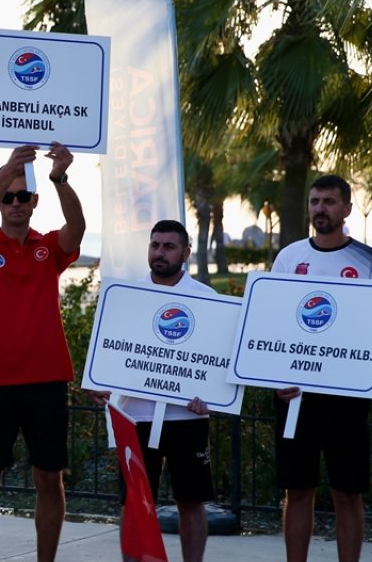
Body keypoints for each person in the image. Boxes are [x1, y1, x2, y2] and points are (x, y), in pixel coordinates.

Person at [0, 142, 85, 562]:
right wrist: (5, 172)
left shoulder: (48, 248)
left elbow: (77, 226)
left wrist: (60, 177)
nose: (14, 203)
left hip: (46, 380)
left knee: (50, 480)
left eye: (21, 196)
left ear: (34, 202)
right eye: (7, 197)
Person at [269, 174, 372, 562]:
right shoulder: (289, 257)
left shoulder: (370, 261)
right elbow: (272, 322)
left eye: (329, 202)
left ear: (346, 208)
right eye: (314, 201)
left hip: (346, 397)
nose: (320, 209)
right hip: (295, 396)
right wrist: (275, 380)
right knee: (297, 491)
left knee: (347, 493)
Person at [121, 219, 217, 562]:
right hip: (135, 416)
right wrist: (98, 384)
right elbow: (111, 353)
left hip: (186, 418)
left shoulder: (208, 300)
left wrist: (211, 396)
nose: (160, 252)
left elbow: (217, 361)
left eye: (169, 246)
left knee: (190, 502)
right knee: (135, 503)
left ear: (186, 253)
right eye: (155, 245)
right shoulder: (127, 296)